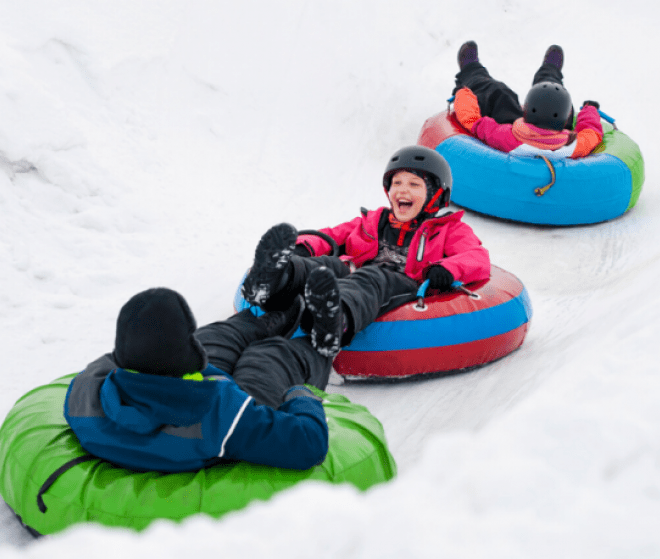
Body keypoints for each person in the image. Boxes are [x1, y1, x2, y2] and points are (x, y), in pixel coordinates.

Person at [242, 145, 491, 359]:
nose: (403, 190)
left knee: (372, 277)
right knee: (328, 265)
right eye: (397, 183)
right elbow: (332, 235)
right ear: (388, 190)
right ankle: (275, 278)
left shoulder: (448, 229)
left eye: (414, 184)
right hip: (353, 273)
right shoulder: (372, 221)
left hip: (401, 283)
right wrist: (300, 248)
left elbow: (477, 257)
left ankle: (332, 320)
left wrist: (446, 269)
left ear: (437, 196)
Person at [64, 287, 331, 473]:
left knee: (213, 337)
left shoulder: (85, 391)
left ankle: (267, 319)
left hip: (171, 387)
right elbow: (309, 442)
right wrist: (299, 395)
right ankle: (320, 338)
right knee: (269, 357)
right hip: (216, 405)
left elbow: (120, 359)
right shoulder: (219, 416)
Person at [451, 42, 603, 159]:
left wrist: (463, 93)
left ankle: (471, 69)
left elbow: (474, 122)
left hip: (516, 133)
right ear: (566, 120)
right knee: (552, 90)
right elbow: (592, 133)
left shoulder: (506, 137)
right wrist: (590, 110)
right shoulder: (573, 146)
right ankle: (550, 69)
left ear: (525, 112)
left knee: (499, 93)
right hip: (557, 141)